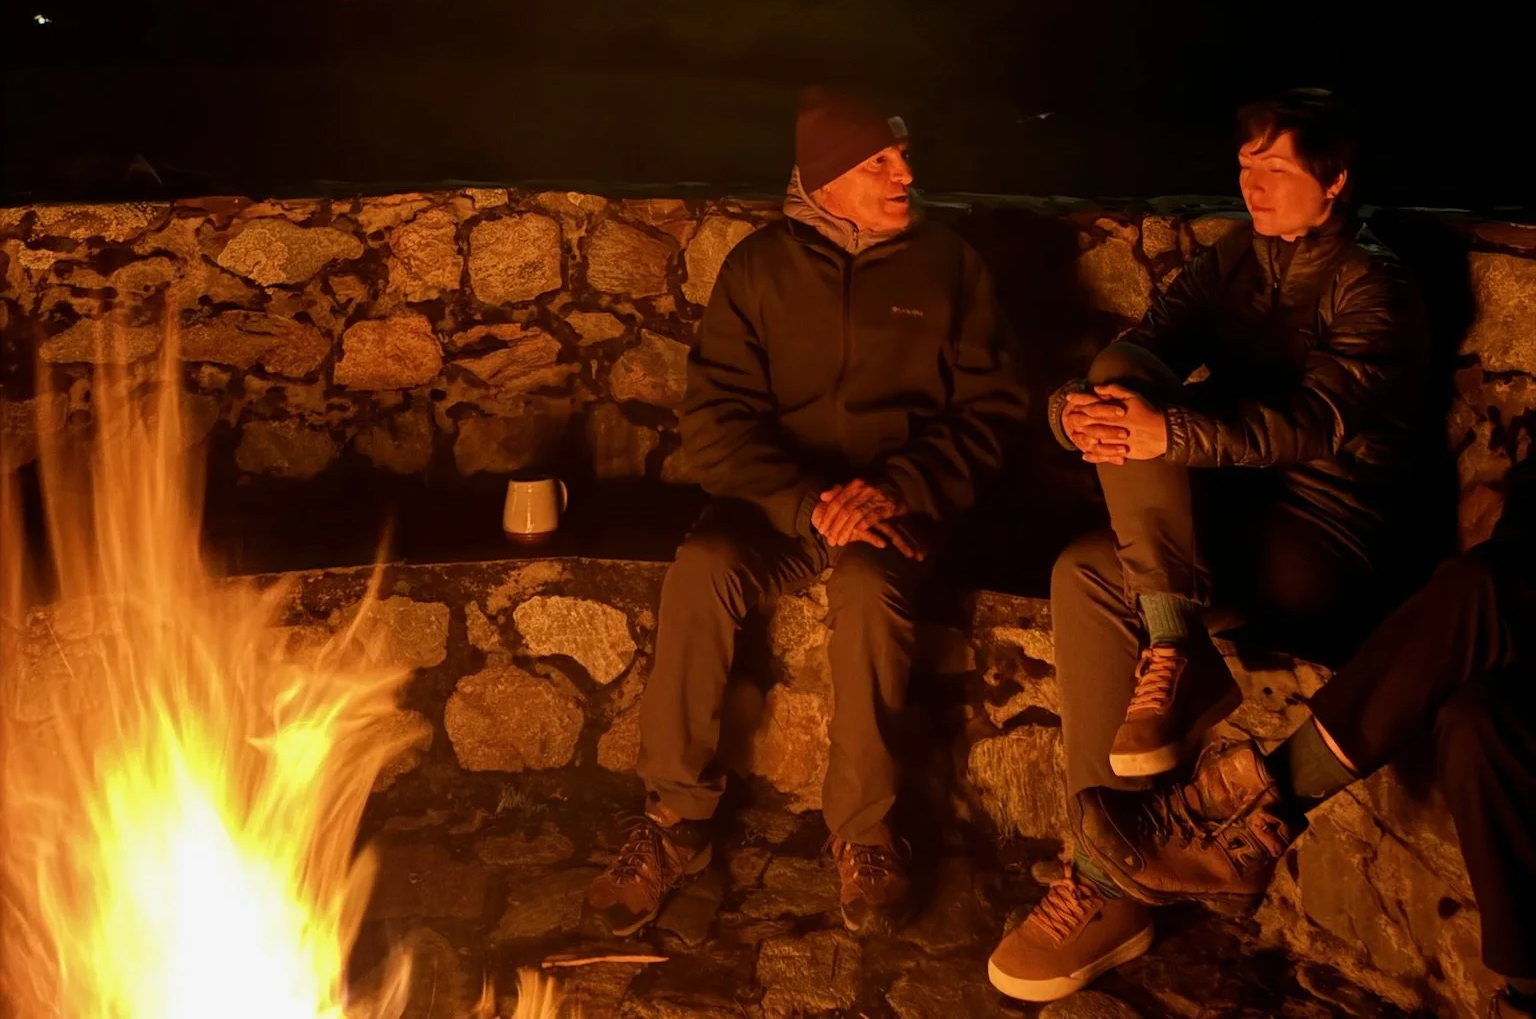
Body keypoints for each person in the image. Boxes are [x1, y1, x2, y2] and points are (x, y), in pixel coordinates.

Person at [988, 87, 1428, 1003]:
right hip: (1228, 522)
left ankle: (1109, 874)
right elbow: (1143, 348)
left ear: (1336, 180)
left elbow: (1320, 419)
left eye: (1276, 168)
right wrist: (1073, 411)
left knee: (1113, 529)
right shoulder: (1240, 258)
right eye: (1244, 166)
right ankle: (1107, 860)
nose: (1252, 185)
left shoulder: (1376, 283)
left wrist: (1169, 438)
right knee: (1084, 552)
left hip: (1324, 538)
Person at [584, 87, 1027, 939]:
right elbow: (712, 423)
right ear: (826, 183)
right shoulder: (758, 269)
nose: (907, 174)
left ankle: (864, 833)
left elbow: (990, 412)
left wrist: (897, 487)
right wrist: (804, 501)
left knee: (868, 591)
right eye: (881, 164)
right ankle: (675, 819)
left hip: (899, 506)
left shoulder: (949, 265)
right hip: (778, 508)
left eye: (903, 155)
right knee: (702, 568)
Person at [1073, 463, 1536, 1019]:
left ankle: (1248, 808)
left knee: (1481, 586)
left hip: (1350, 537)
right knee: (1474, 719)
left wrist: (1178, 428)